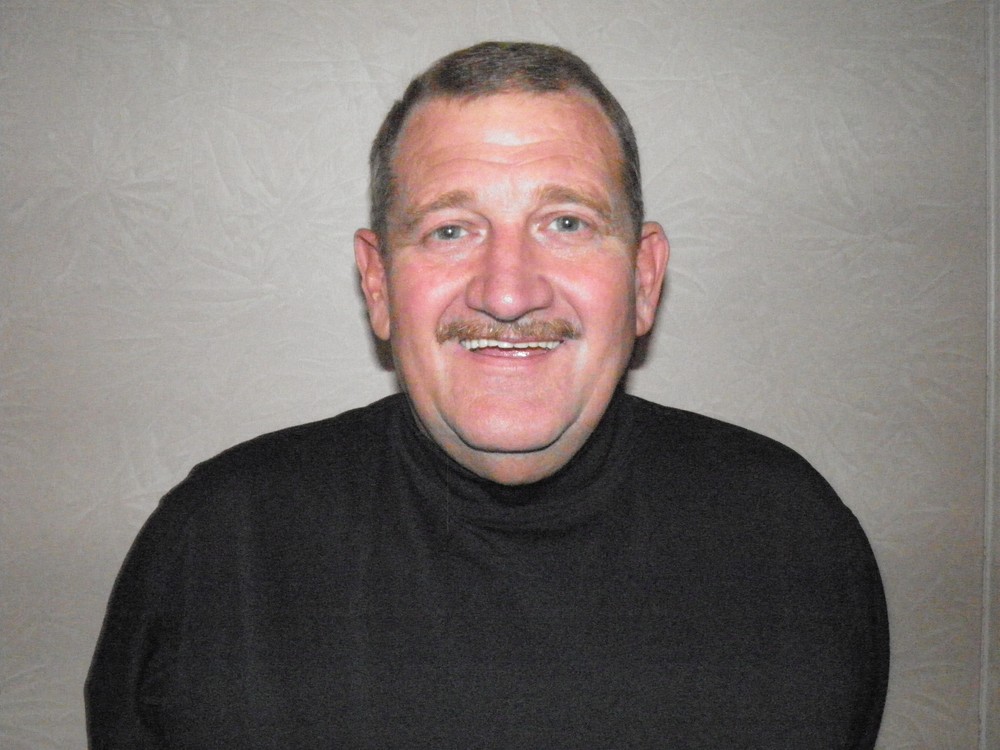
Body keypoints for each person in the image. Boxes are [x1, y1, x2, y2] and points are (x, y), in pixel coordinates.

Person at [86, 42, 889, 748]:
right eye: (451, 230)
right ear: (378, 283)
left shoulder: (795, 542)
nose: (508, 293)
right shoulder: (214, 549)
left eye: (566, 223)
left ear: (644, 280)